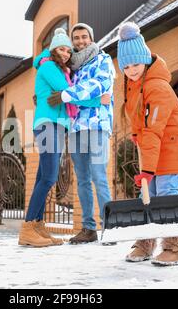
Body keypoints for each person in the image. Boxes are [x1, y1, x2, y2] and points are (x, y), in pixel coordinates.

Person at [18, 28, 108, 247]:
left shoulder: (59, 67)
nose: (66, 53)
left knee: (43, 177)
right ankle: (28, 227)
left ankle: (38, 225)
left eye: (68, 50)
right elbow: (69, 93)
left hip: (57, 126)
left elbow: (65, 94)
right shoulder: (49, 66)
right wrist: (98, 102)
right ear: (53, 49)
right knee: (49, 177)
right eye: (62, 48)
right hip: (49, 125)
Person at [117, 22, 178, 266]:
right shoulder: (133, 84)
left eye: (135, 64)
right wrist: (136, 134)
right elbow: (141, 120)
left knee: (167, 194)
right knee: (146, 194)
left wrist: (146, 170)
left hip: (171, 145)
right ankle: (146, 242)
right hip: (155, 144)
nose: (130, 70)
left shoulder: (157, 86)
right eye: (125, 66)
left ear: (145, 60)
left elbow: (154, 128)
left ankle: (176, 247)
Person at [48, 23, 116, 244]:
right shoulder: (72, 67)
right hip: (76, 128)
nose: (80, 41)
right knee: (83, 181)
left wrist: (67, 95)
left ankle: (111, 226)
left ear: (91, 38)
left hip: (97, 126)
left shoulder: (103, 60)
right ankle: (88, 228)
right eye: (76, 38)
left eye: (84, 37)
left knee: (99, 177)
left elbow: (99, 86)